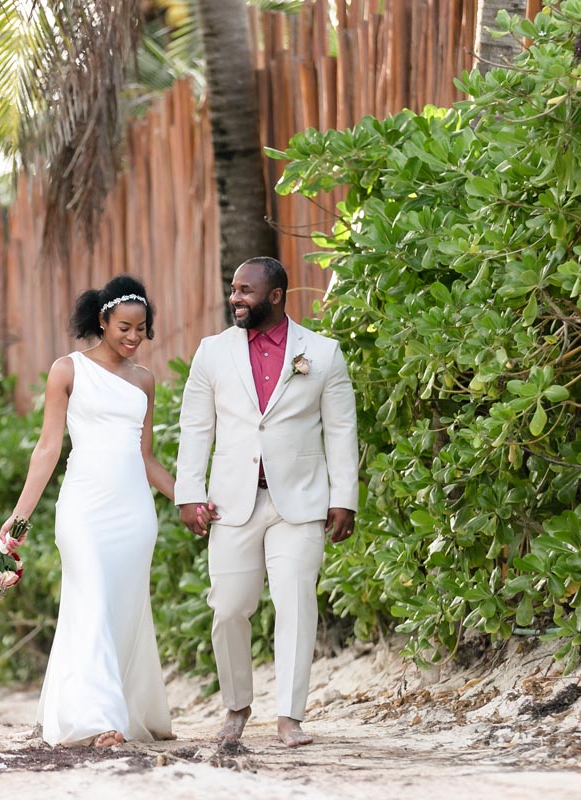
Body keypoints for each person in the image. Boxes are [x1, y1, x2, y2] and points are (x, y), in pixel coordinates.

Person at [174, 257, 359, 748]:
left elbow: (341, 430)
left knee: (296, 604)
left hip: (299, 502)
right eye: (233, 289)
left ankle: (289, 717)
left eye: (245, 291)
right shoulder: (212, 352)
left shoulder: (323, 353)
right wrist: (188, 493)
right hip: (231, 503)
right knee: (229, 609)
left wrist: (345, 498)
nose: (235, 298)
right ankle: (236, 707)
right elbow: (196, 426)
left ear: (275, 296)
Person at [0, 275, 175, 749]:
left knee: (122, 609)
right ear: (102, 320)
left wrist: (189, 500)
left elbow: (146, 457)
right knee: (92, 600)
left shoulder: (144, 381)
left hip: (134, 514)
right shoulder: (68, 370)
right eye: (124, 327)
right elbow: (48, 448)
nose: (134, 337)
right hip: (83, 509)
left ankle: (125, 708)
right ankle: (98, 720)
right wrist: (19, 517)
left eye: (141, 329)